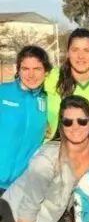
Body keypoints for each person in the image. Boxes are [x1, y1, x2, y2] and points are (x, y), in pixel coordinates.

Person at [44, 28, 89, 136]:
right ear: (68, 53)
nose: (80, 56)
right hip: (57, 147)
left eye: (86, 50)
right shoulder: (50, 78)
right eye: (75, 50)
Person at [0, 46, 51, 194]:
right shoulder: (3, 92)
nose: (31, 75)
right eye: (25, 68)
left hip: (21, 187)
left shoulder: (49, 99)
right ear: (18, 70)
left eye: (37, 69)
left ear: (46, 71)